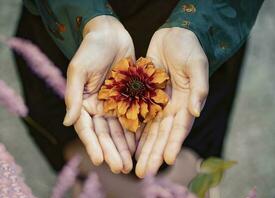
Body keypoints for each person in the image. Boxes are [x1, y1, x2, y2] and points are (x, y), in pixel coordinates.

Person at [16, 0, 264, 178]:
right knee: (77, 136)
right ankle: (88, 179)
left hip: (192, 44)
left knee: (188, 131)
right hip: (71, 33)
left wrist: (196, 25)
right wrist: (87, 15)